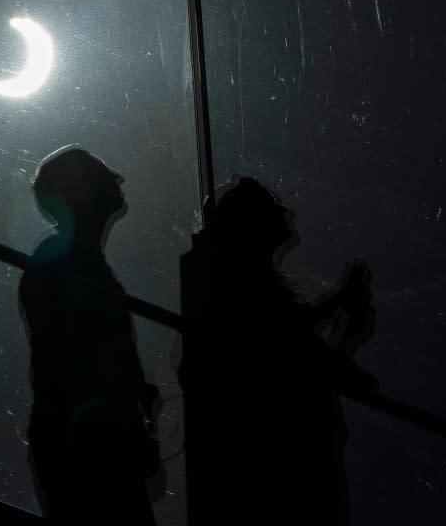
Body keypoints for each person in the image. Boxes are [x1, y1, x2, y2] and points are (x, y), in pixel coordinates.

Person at [182, 177, 375, 526]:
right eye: (272, 210)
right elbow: (287, 344)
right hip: (284, 471)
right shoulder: (251, 296)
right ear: (253, 225)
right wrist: (340, 310)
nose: (286, 217)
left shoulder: (234, 292)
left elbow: (291, 345)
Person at [19, 146, 160, 524]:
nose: (117, 179)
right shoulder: (68, 263)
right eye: (101, 174)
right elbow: (81, 354)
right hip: (91, 443)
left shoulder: (64, 259)